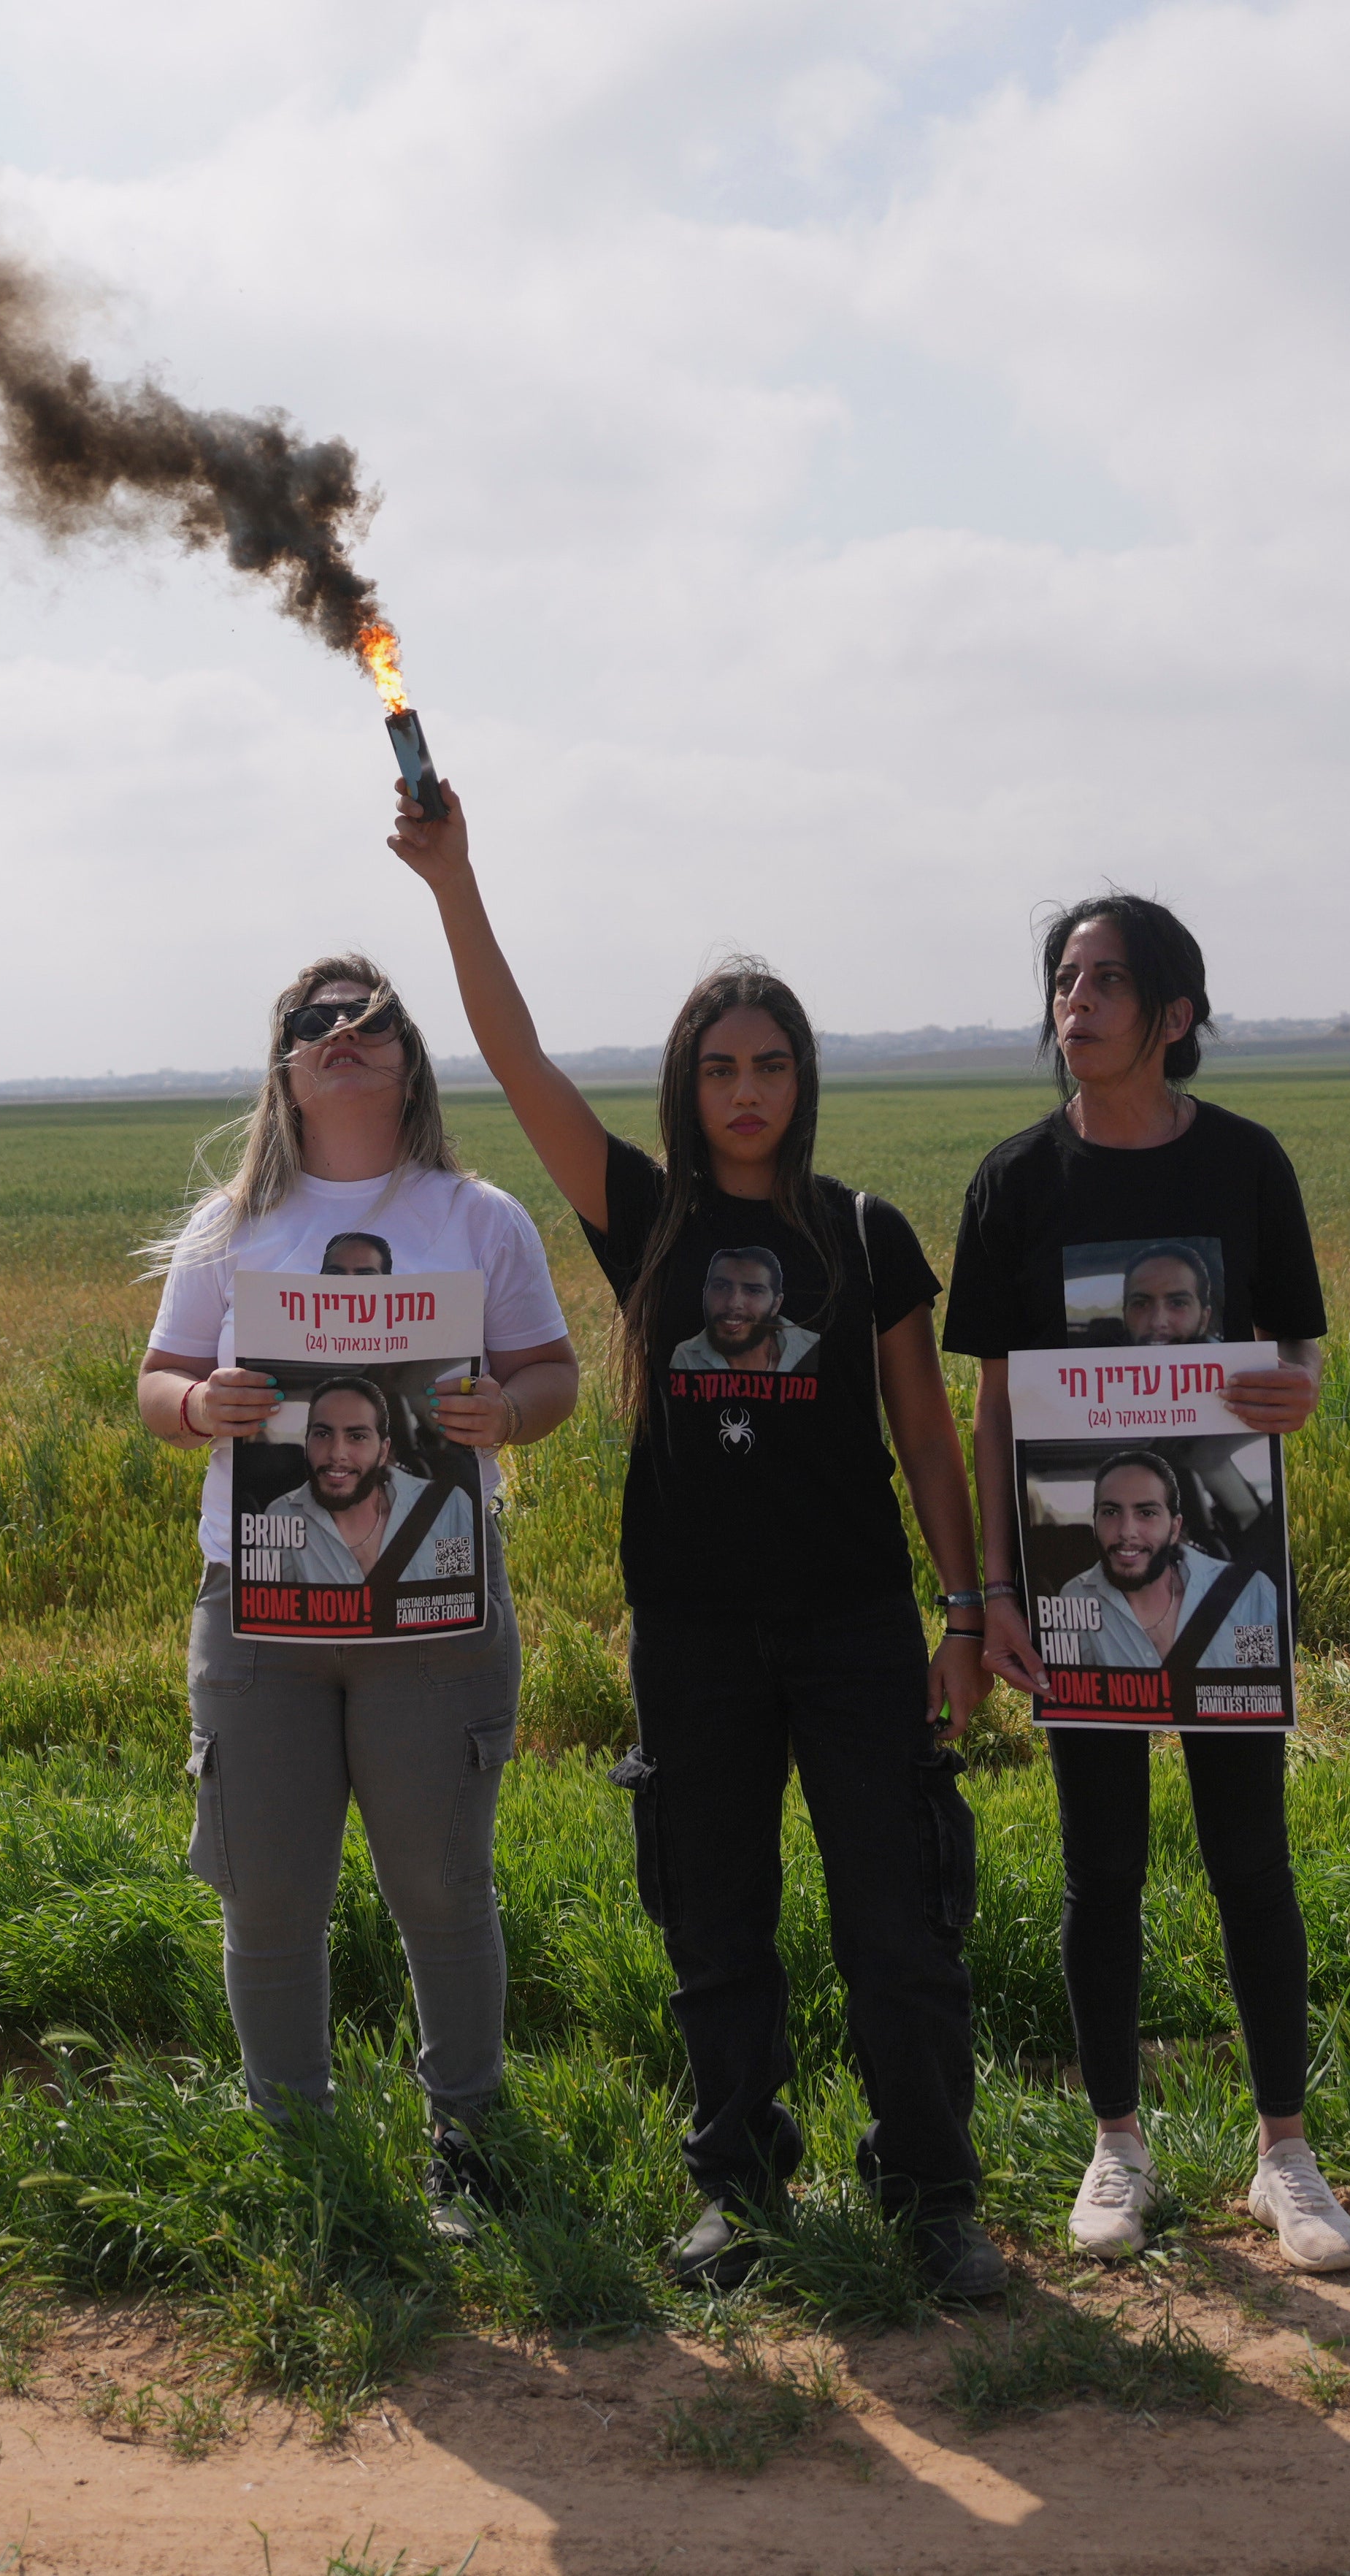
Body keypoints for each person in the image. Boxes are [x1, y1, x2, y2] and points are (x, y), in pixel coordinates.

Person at [391, 782, 1010, 2304]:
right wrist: (453, 880)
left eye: (771, 1064)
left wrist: (966, 1608)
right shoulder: (646, 1216)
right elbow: (518, 1063)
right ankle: (739, 2188)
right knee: (715, 1928)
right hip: (693, 1633)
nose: (747, 1090)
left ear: (804, 1079)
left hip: (856, 1628)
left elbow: (927, 1437)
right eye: (720, 1066)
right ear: (687, 1083)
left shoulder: (859, 1232)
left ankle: (933, 2195)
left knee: (898, 1924)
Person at [945, 892, 1350, 2274]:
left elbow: (1294, 1356)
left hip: (1228, 1580)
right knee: (1100, 1863)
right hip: (1072, 1580)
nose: (1075, 1001)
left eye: (1105, 980)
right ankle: (1116, 2145)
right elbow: (996, 1406)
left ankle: (1284, 2154)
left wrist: (1294, 1389)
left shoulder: (1246, 1163)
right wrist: (997, 1586)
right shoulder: (1015, 1182)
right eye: (1065, 978)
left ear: (1173, 1014)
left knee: (1252, 1856)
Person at [138, 957, 584, 2239]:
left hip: (436, 1610)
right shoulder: (231, 1225)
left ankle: (470, 2141)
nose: (342, 1033)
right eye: (315, 1021)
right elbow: (157, 1382)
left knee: (440, 1885)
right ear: (284, 1065)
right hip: (259, 1613)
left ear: (409, 1056)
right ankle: (301, 2154)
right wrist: (200, 1404)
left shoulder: (478, 1217)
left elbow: (551, 1374)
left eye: (369, 1018)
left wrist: (506, 1413)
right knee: (268, 1893)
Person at [1046, 1452, 1279, 1671]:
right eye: (1111, 1512)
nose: (1126, 1532)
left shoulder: (1245, 1594)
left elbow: (1262, 1685)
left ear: (1174, 1528)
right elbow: (1069, 1689)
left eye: (1146, 1513)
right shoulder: (1076, 1597)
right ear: (1095, 1523)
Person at [288, 1377, 478, 1587]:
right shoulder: (283, 1515)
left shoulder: (444, 1510)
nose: (337, 1453)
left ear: (383, 1451)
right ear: (307, 1442)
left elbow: (462, 1594)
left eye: (357, 1437)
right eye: (323, 1434)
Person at [672, 1245, 821, 1373]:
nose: (733, 1303)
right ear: (705, 1294)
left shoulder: (812, 1349)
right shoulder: (686, 1357)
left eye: (753, 1291)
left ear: (776, 1304)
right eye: (721, 1287)